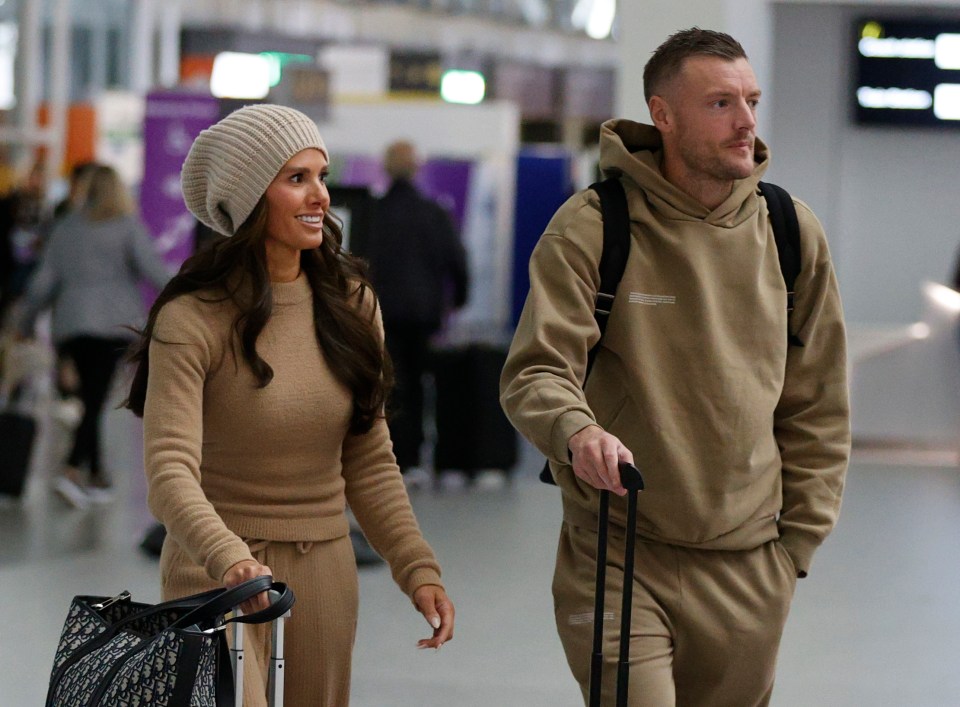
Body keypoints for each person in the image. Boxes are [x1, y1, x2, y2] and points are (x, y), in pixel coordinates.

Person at [500, 28, 850, 706]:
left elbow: (818, 401)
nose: (747, 120)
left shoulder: (790, 230)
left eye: (751, 99)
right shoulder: (593, 226)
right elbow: (536, 370)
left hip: (752, 567)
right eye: (721, 103)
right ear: (663, 115)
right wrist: (577, 431)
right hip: (622, 555)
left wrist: (794, 547)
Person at [123, 104, 455, 706]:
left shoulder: (352, 305)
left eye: (321, 175)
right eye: (297, 178)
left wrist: (416, 566)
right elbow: (169, 470)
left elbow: (371, 459)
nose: (321, 196)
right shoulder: (191, 317)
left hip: (323, 568)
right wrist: (229, 559)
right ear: (249, 198)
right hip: (213, 570)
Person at [16, 163, 170, 508]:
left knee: (91, 397)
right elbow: (154, 271)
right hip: (114, 324)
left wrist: (25, 323)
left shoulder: (66, 227)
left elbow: (43, 281)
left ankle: (98, 474)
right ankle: (71, 468)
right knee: (95, 399)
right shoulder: (127, 227)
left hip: (70, 323)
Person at [364, 140, 469, 485]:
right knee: (423, 386)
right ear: (417, 168)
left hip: (382, 314)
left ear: (385, 167)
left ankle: (392, 457)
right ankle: (420, 459)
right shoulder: (434, 213)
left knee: (390, 386)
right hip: (425, 315)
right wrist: (456, 301)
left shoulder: (372, 213)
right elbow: (457, 262)